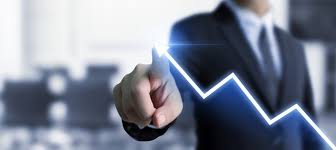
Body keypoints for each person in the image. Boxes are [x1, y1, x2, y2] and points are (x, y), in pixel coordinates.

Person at [113, 0, 324, 149]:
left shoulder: (293, 46)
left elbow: (307, 126)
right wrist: (147, 104)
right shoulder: (193, 31)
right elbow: (167, 90)